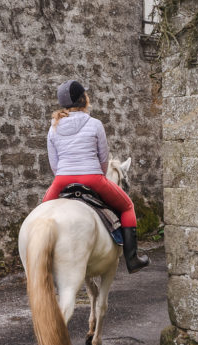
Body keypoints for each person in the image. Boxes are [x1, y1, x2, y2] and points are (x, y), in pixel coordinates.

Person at [42, 79, 149, 273]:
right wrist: (97, 174)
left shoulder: (53, 127)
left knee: (41, 215)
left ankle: (40, 262)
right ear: (83, 99)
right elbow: (103, 158)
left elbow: (54, 164)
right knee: (127, 207)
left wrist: (65, 176)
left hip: (62, 179)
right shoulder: (95, 124)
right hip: (92, 177)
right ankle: (132, 260)